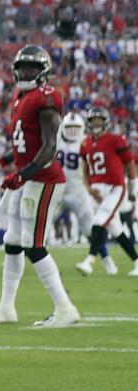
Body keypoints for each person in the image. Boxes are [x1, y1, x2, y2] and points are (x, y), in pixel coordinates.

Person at [0, 45, 80, 327]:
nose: (25, 72)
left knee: (33, 245)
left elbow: (49, 146)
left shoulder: (46, 98)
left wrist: (24, 174)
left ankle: (64, 308)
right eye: (22, 67)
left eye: (32, 68)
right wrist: (1, 163)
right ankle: (6, 308)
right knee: (12, 241)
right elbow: (24, 145)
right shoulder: (21, 97)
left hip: (43, 178)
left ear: (43, 71)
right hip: (28, 177)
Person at [74, 106, 138, 276]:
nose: (95, 123)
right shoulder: (86, 143)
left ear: (105, 122)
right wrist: (88, 189)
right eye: (93, 120)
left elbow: (130, 164)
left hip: (115, 188)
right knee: (116, 230)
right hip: (97, 191)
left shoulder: (115, 139)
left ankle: (89, 261)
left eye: (99, 120)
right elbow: (85, 170)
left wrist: (133, 189)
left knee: (98, 221)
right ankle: (137, 262)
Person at [56, 112, 105, 258]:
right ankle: (19, 257)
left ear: (82, 127)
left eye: (76, 127)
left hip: (79, 190)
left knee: (90, 228)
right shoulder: (55, 139)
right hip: (57, 190)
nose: (73, 130)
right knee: (38, 227)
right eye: (69, 127)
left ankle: (106, 259)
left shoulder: (87, 141)